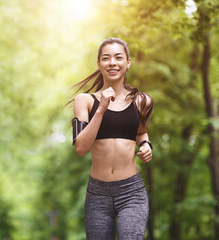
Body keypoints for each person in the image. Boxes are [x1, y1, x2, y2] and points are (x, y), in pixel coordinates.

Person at [71, 38, 153, 239]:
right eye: (106, 58)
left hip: (132, 192)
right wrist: (101, 109)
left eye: (118, 57)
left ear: (128, 62)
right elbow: (80, 148)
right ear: (99, 64)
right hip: (98, 194)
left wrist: (146, 145)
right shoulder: (85, 101)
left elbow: (141, 132)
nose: (112, 63)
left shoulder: (142, 101)